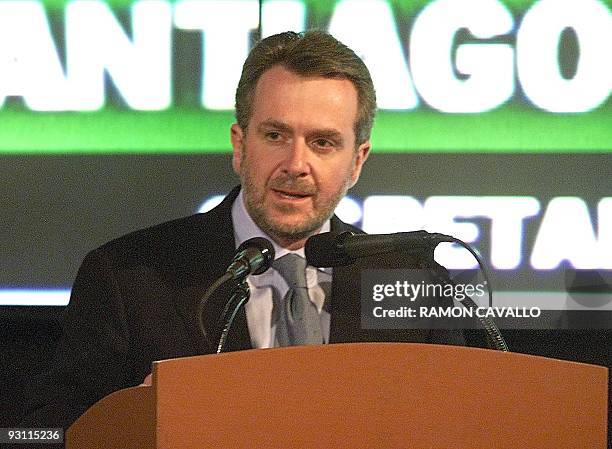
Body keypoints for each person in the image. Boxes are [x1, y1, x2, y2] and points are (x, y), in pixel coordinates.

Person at [18, 31, 462, 437]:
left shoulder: (415, 282)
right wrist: (132, 416)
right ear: (239, 144)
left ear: (358, 161)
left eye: (323, 142)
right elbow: (42, 432)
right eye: (275, 135)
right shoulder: (127, 278)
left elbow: (462, 426)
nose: (295, 163)